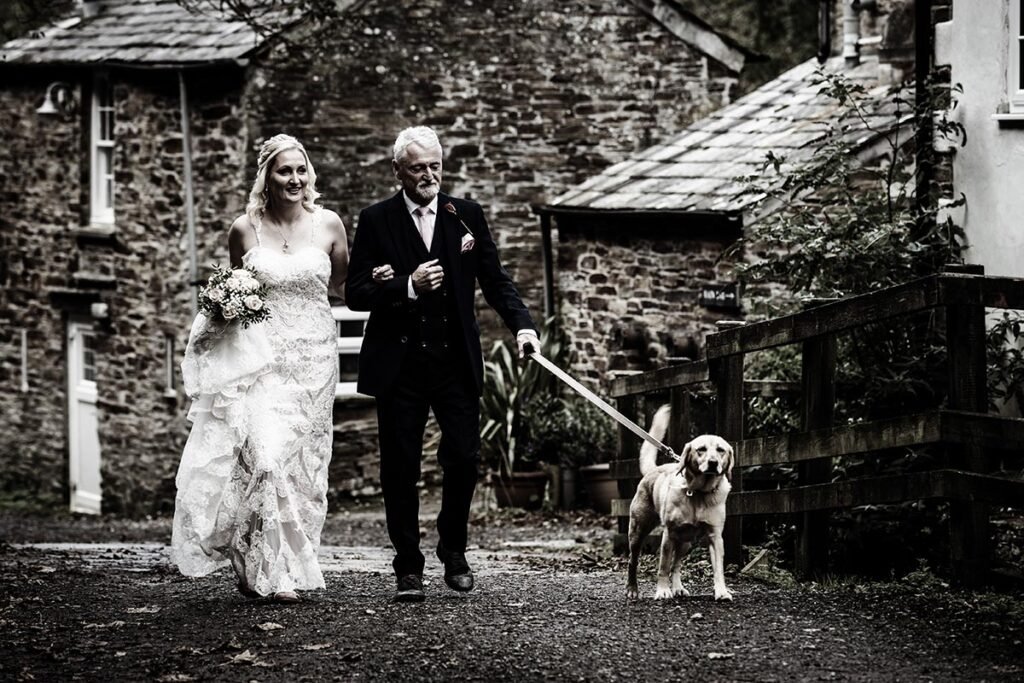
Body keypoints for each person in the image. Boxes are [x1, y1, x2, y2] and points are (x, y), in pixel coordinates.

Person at [346, 125, 539, 602]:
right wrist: (407, 286)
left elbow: (495, 280)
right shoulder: (376, 220)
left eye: (435, 166)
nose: (429, 175)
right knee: (399, 466)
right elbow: (355, 293)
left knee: (464, 459)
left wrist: (524, 327)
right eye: (418, 168)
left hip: (455, 362)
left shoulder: (466, 216)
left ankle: (453, 549)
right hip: (400, 365)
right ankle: (407, 564)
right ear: (398, 171)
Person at [171, 133, 349, 603]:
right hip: (263, 362)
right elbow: (239, 296)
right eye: (283, 170)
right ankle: (265, 569)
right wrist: (220, 310)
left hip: (313, 363)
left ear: (309, 174)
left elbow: (346, 290)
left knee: (303, 467)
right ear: (267, 177)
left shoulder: (330, 225)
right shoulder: (243, 230)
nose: (294, 178)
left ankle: (289, 559)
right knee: (265, 459)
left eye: (300, 170)